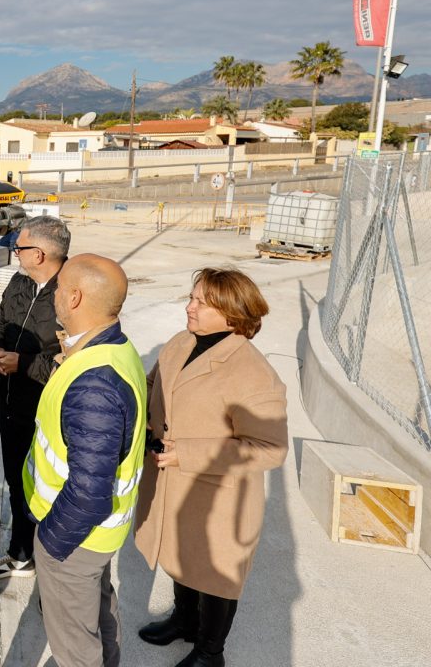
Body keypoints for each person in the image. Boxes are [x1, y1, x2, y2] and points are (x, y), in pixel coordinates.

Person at [134, 268, 288, 667]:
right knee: (180, 554)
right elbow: (153, 387)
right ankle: (185, 620)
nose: (190, 307)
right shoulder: (181, 342)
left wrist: (188, 451)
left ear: (233, 313)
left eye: (202, 302)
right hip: (174, 482)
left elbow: (271, 449)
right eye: (192, 297)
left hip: (219, 496)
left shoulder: (254, 373)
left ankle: (210, 651)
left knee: (216, 574)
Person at [24, 254, 147, 667]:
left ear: (74, 297)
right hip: (94, 537)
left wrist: (50, 544)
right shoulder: (112, 348)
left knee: (75, 648)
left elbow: (89, 491)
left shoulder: (95, 382)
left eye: (59, 289)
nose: (54, 295)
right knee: (96, 615)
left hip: (74, 540)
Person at [0, 216, 70, 578]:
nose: (15, 254)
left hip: (47, 411)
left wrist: (26, 364)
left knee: (46, 485)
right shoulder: (21, 283)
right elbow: (0, 322)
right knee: (17, 479)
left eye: (19, 248)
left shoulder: (73, 295)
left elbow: (74, 363)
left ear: (39, 254)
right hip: (10, 399)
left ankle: (48, 559)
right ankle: (21, 553)